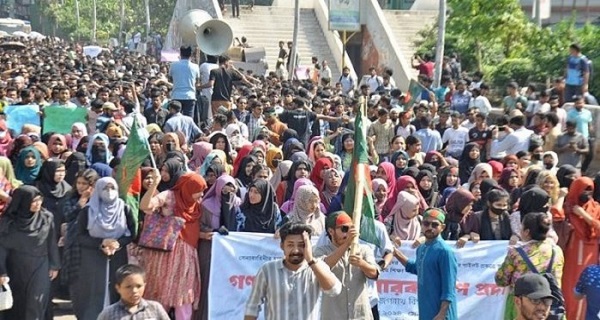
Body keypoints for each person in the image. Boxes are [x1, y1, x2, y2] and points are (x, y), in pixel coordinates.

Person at [139, 172, 207, 320]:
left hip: (187, 257)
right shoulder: (169, 197)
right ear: (188, 188)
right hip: (164, 256)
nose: (201, 195)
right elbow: (145, 206)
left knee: (184, 298)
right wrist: (154, 185)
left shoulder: (195, 205)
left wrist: (203, 235)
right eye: (198, 191)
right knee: (162, 296)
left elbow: (188, 228)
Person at [244, 222, 342, 320]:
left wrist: (311, 260)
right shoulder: (268, 270)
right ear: (282, 246)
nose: (296, 250)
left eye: (301, 245)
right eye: (290, 245)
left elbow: (334, 290)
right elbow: (252, 306)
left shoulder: (317, 267)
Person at [73, 177, 135, 320]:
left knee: (116, 289)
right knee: (94, 294)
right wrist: (101, 243)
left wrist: (118, 243)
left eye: (112, 188)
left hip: (117, 257)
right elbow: (79, 236)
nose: (109, 192)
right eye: (105, 188)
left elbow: (132, 233)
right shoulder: (88, 210)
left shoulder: (124, 208)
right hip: (93, 257)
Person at [0, 186, 60, 319]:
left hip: (40, 265)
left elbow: (51, 242)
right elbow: (2, 248)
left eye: (40, 200)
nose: (38, 204)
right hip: (16, 267)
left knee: (36, 301)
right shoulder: (8, 223)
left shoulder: (46, 217)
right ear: (22, 202)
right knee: (18, 303)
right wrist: (2, 271)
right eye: (34, 201)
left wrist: (55, 265)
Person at [495, 212, 564, 319]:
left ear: (526, 232)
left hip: (523, 304)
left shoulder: (516, 253)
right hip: (550, 304)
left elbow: (501, 280)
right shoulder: (557, 251)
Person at [392, 208, 458, 320]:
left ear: (442, 228)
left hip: (441, 314)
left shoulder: (445, 252)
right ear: (422, 225)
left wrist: (442, 314)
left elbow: (449, 287)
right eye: (426, 223)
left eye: (435, 225)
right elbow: (416, 267)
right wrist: (395, 253)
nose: (430, 228)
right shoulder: (421, 248)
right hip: (426, 310)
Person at [314, 211, 379, 320]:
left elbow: (374, 274)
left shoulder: (363, 250)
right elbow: (322, 269)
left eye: (351, 228)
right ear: (331, 231)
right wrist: (346, 244)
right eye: (344, 229)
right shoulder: (321, 251)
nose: (348, 233)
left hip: (360, 315)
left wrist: (362, 264)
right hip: (333, 315)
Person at [562, 177, 600, 320]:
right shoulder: (567, 207)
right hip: (570, 255)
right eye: (584, 190)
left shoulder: (596, 208)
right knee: (570, 288)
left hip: (590, 253)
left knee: (588, 288)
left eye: (590, 190)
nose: (587, 193)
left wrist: (584, 215)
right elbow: (556, 218)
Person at [97, 264, 170, 320]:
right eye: (128, 287)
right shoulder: (109, 314)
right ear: (118, 288)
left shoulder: (155, 308)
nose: (134, 291)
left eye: (139, 286)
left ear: (144, 285)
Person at [169, 46, 200, 121]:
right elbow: (197, 81)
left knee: (175, 119)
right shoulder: (195, 67)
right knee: (188, 120)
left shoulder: (173, 65)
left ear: (180, 53)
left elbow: (170, 79)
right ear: (190, 55)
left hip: (176, 95)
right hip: (190, 96)